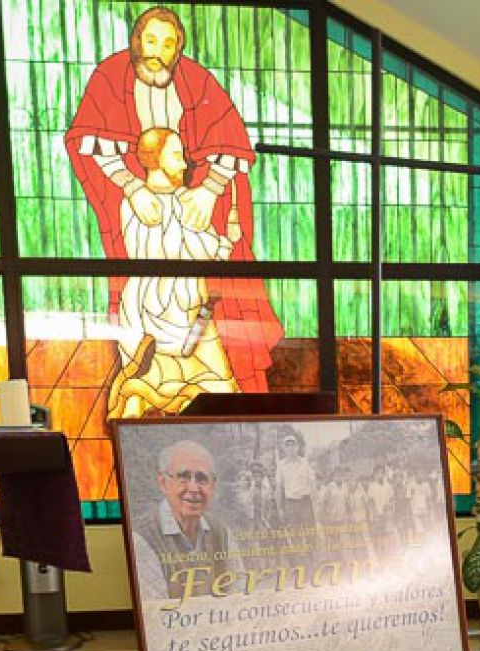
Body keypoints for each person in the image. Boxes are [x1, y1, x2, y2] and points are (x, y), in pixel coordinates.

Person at [65, 6, 283, 401]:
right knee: (185, 370)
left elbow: (230, 143)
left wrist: (209, 190)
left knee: (208, 364)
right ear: (137, 41)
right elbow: (91, 145)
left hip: (190, 241)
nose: (158, 52)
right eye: (151, 41)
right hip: (158, 273)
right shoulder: (110, 78)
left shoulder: (197, 81)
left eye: (168, 44)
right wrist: (133, 188)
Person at [109, 127, 239, 418]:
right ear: (154, 160)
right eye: (177, 156)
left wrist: (226, 242)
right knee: (153, 393)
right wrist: (224, 242)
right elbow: (194, 253)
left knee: (218, 396)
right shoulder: (148, 204)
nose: (184, 164)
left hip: (189, 314)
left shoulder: (170, 201)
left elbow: (205, 256)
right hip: (160, 313)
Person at [136, 439, 239, 599]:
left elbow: (239, 598)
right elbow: (157, 610)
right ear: (163, 483)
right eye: (183, 477)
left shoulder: (222, 533)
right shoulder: (142, 539)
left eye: (202, 479)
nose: (193, 488)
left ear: (212, 485)